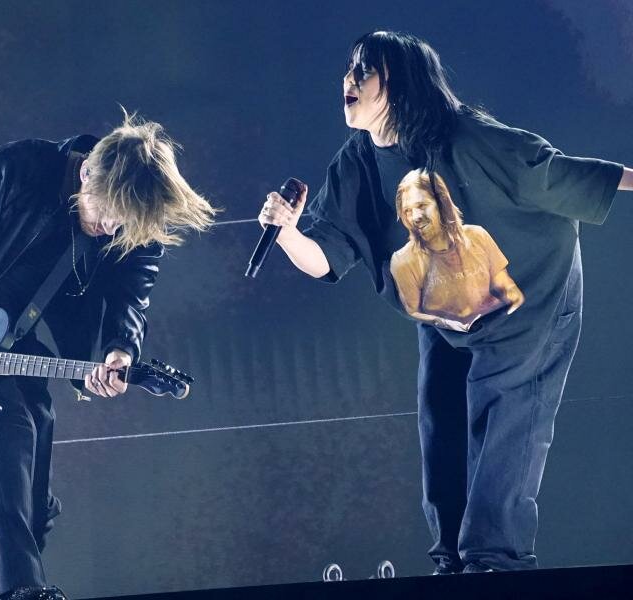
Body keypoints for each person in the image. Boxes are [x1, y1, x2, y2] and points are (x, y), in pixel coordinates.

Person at [258, 30, 632, 574]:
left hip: (528, 295)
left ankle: (495, 560)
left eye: (364, 70)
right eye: (348, 69)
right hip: (446, 308)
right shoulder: (355, 163)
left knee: (505, 417)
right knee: (442, 420)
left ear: (400, 83)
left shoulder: (467, 138)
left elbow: (557, 173)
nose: (349, 80)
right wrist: (290, 231)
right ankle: (453, 560)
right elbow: (326, 256)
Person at [0, 112, 216, 600]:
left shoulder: (132, 217)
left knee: (34, 454)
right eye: (107, 213)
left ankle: (16, 582)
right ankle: (19, 592)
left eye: (125, 223)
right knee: (7, 424)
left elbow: (132, 292)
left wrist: (121, 348)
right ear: (87, 173)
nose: (111, 227)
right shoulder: (16, 170)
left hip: (14, 343)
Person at [390, 168, 524, 332]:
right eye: (407, 211)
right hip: (448, 341)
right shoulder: (402, 261)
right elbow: (412, 311)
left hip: (496, 330)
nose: (416, 216)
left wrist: (514, 302)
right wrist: (445, 323)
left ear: (442, 202)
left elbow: (503, 283)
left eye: (421, 205)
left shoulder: (478, 235)